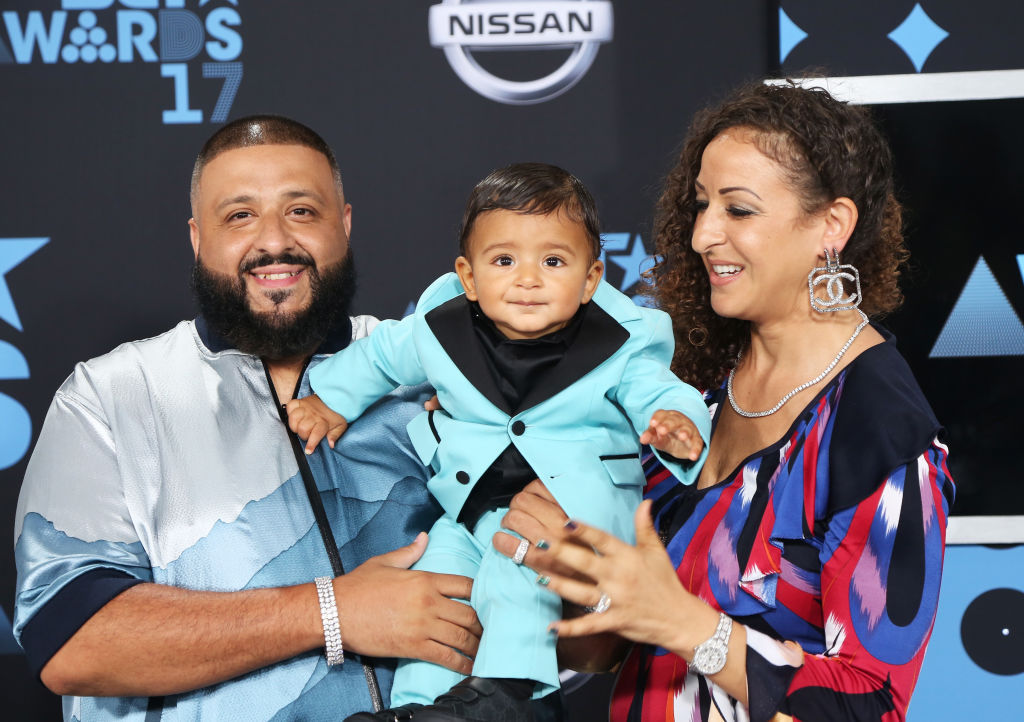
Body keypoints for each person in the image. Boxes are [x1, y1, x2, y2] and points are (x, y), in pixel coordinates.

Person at [494, 82, 956, 722]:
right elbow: (611, 650)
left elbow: (869, 703)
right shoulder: (694, 391)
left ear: (831, 226)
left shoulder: (878, 430)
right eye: (702, 205)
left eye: (738, 211)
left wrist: (690, 627)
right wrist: (572, 566)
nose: (703, 234)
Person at [11, 115, 488, 721]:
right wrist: (332, 611)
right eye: (239, 215)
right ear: (197, 238)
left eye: (302, 211)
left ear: (344, 226)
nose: (273, 242)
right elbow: (74, 640)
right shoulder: (111, 397)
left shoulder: (438, 371)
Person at [286, 163, 712, 721]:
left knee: (516, 570)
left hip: (569, 510)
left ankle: (517, 692)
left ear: (590, 278)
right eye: (504, 260)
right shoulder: (441, 327)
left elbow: (657, 390)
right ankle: (419, 706)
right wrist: (328, 400)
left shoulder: (624, 340)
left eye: (553, 261)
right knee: (441, 585)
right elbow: (381, 356)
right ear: (468, 276)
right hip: (468, 509)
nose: (527, 279)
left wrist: (674, 423)